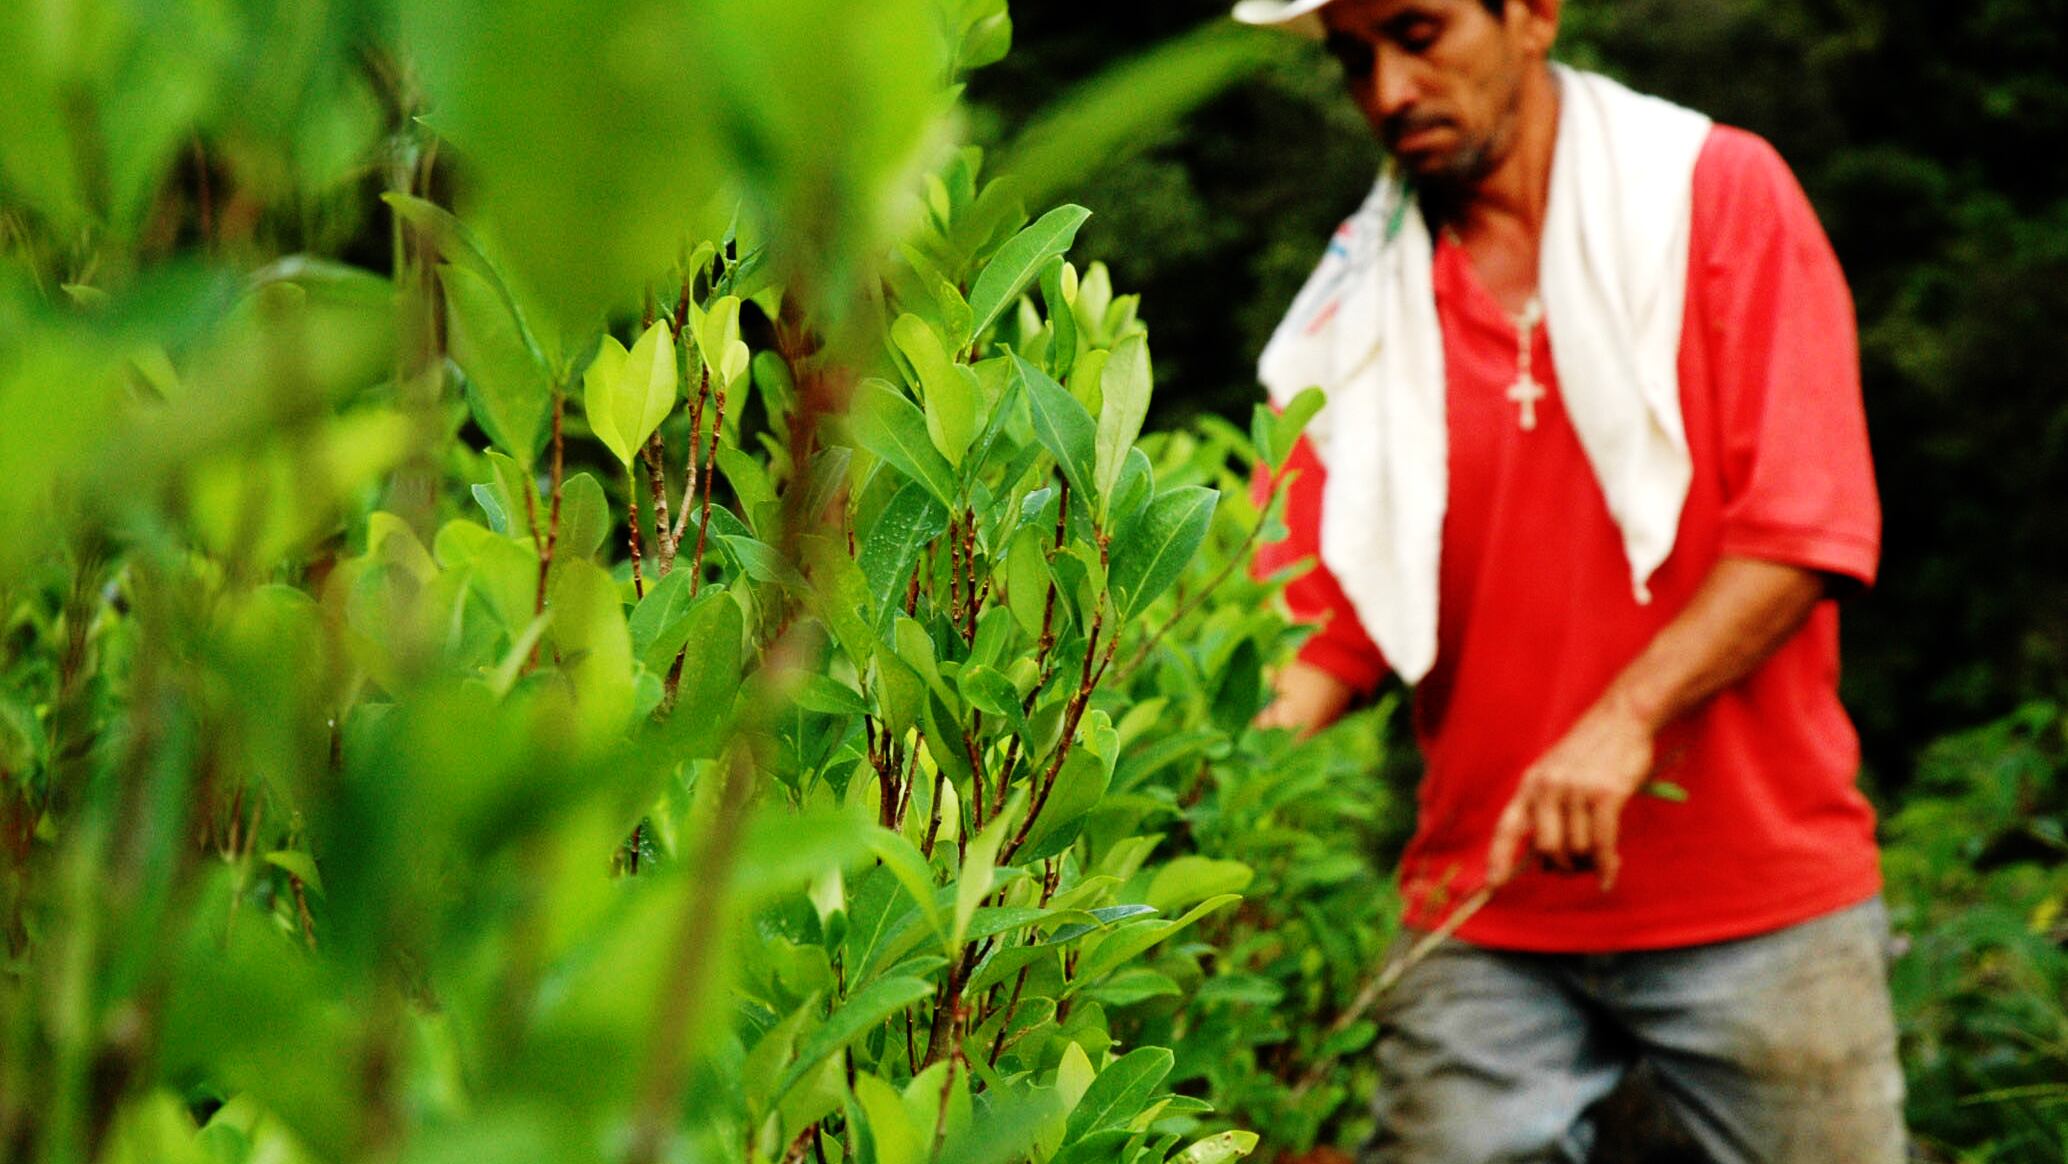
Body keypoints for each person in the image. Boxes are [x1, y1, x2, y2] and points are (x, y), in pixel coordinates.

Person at [1232, 0, 1907, 1160]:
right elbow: (1320, 634)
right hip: (1482, 915)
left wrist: (1621, 719)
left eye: (1419, 32)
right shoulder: (1356, 314)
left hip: (1760, 904)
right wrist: (1206, 807)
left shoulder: (1718, 194)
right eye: (1355, 59)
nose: (1388, 90)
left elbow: (1805, 527)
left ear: (1532, 15)